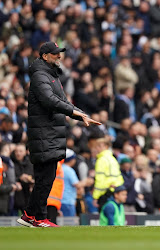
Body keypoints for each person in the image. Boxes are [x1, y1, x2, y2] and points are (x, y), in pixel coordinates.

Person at [17, 41, 101, 228]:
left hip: (49, 135)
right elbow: (49, 100)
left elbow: (64, 102)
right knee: (45, 178)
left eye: (60, 53)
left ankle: (30, 215)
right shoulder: (40, 76)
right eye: (55, 54)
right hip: (44, 135)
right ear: (45, 56)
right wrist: (74, 113)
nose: (59, 56)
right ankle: (38, 218)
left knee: (46, 178)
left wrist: (83, 116)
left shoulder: (50, 76)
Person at [92, 138, 124, 211]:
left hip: (104, 194)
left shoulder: (101, 160)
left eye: (99, 146)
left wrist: (96, 197)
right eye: (96, 146)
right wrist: (117, 187)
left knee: (105, 219)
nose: (97, 148)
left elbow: (99, 180)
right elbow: (119, 177)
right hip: (115, 193)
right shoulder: (113, 159)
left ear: (106, 146)